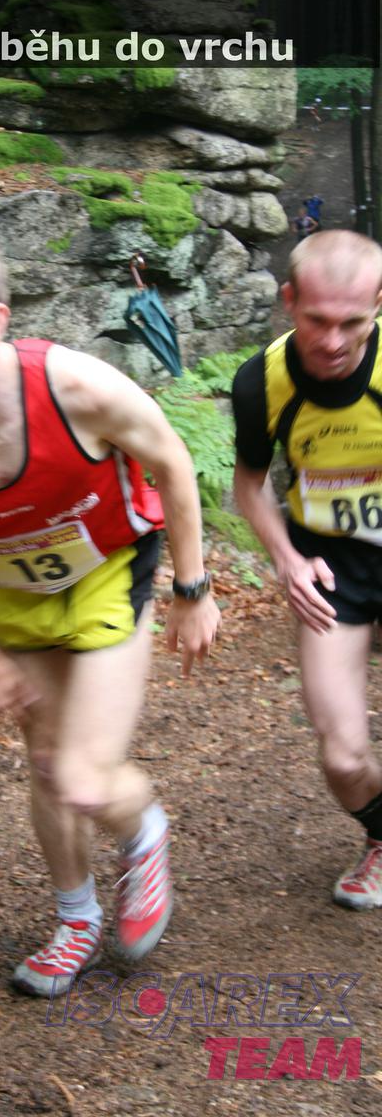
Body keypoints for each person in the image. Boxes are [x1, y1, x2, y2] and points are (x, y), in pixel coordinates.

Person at [0, 219, 220, 997]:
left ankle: (143, 828)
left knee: (85, 778)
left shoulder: (76, 388)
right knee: (47, 763)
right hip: (14, 585)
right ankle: (76, 919)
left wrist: (193, 589)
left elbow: (171, 460)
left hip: (108, 569)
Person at [232, 229, 382, 911]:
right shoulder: (261, 382)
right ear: (289, 300)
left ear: (378, 305)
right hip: (332, 567)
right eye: (317, 319)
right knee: (343, 758)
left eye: (353, 322)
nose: (332, 341)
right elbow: (248, 485)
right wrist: (287, 560)